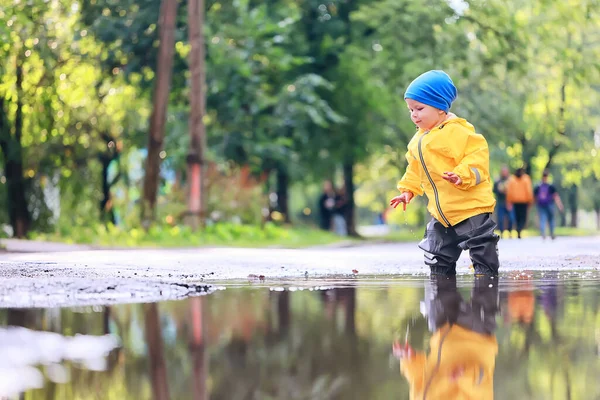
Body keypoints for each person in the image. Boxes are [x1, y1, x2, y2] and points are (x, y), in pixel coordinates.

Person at [389, 70, 499, 276]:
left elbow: (477, 156)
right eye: (410, 110)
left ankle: (486, 282)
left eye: (419, 108)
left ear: (440, 107)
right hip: (441, 212)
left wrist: (462, 174)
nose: (414, 114)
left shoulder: (457, 131)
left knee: (481, 245)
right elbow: (414, 168)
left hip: (470, 207)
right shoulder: (417, 141)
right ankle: (441, 288)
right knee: (437, 252)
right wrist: (408, 190)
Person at [393, 276, 499, 399]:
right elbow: (483, 382)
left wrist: (410, 359)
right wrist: (464, 376)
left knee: (438, 269)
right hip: (477, 335)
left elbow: (419, 380)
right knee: (485, 270)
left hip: (442, 327)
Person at [534, 170, 564, 240]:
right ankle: (552, 233)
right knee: (551, 219)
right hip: (549, 204)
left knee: (542, 219)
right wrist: (560, 205)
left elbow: (535, 198)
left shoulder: (538, 187)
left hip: (541, 205)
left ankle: (543, 233)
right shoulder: (551, 186)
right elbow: (555, 196)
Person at [505, 167, 534, 239]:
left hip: (515, 201)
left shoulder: (512, 179)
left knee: (517, 217)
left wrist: (509, 201)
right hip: (524, 202)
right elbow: (529, 190)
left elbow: (509, 192)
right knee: (522, 217)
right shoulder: (526, 179)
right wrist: (530, 200)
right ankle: (519, 229)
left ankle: (518, 228)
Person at [493, 166, 516, 238]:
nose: (504, 173)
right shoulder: (498, 181)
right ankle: (501, 232)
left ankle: (510, 231)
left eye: (505, 171)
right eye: (503, 171)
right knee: (500, 218)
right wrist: (499, 190)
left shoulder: (511, 180)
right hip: (501, 202)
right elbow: (494, 190)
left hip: (509, 202)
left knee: (511, 218)